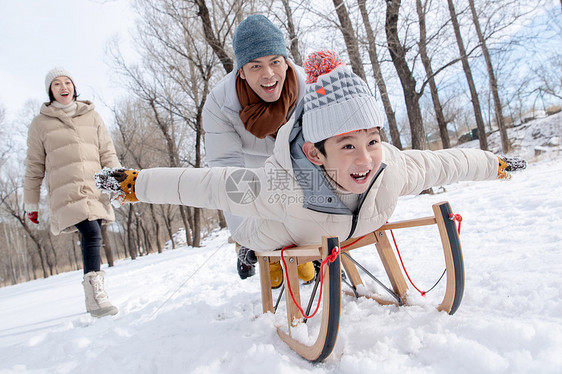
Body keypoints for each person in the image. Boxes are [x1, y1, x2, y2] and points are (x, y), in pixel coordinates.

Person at [95, 51, 525, 268]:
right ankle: (249, 252)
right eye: (348, 145)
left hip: (335, 232)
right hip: (281, 230)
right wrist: (136, 183)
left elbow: (448, 163)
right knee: (259, 232)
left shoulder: (390, 168)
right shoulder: (284, 186)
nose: (366, 157)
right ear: (314, 153)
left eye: (371, 140)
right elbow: (207, 184)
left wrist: (497, 164)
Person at [202, 14, 310, 283]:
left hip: (296, 163)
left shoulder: (310, 88)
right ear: (240, 71)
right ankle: (256, 256)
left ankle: (308, 257)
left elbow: (327, 153)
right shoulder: (219, 104)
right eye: (255, 66)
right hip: (250, 173)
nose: (268, 74)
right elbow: (227, 174)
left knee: (305, 261)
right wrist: (248, 239)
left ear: (286, 62)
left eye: (275, 62)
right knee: (270, 267)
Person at [24, 67, 121, 318]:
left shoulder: (92, 116)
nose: (63, 86)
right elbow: (34, 166)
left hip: (94, 187)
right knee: (91, 231)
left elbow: (107, 152)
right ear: (50, 91)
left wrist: (122, 181)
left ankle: (95, 293)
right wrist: (31, 203)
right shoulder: (40, 124)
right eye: (56, 84)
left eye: (67, 82)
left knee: (94, 232)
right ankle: (95, 295)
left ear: (74, 87)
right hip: (65, 192)